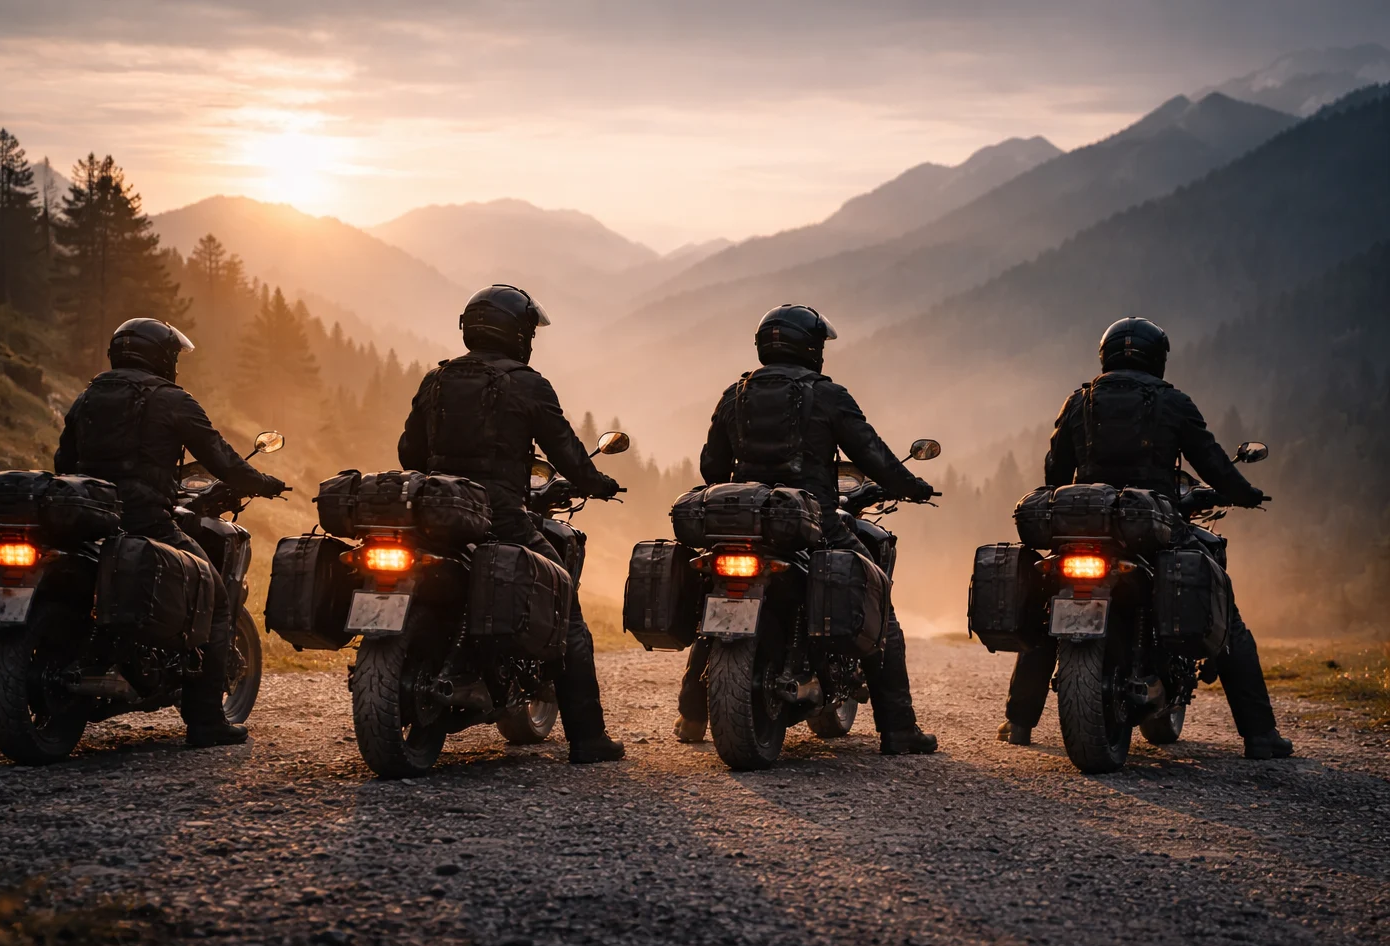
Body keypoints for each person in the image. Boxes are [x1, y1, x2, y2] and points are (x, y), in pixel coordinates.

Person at [998, 316, 1292, 759]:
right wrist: (1246, 494)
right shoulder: (1173, 403)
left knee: (1047, 611)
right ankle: (1261, 737)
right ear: (1158, 359)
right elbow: (1211, 462)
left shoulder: (1081, 400)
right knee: (1226, 616)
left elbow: (1055, 473)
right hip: (1151, 525)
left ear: (1106, 355)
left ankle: (1019, 723)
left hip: (1084, 527)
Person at [674, 304, 939, 755]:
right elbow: (871, 452)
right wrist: (912, 486)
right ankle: (898, 730)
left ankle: (692, 717)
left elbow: (711, 467)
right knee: (878, 604)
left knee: (717, 611)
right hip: (813, 518)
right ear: (812, 348)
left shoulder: (735, 393)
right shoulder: (829, 395)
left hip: (745, 521)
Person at [398, 284, 626, 764]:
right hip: (499, 515)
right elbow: (567, 453)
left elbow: (409, 454)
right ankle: (588, 740)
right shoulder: (527, 384)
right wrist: (599, 482)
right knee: (567, 612)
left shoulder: (436, 379)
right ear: (518, 332)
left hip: (433, 513)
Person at [55, 318, 286, 748]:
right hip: (146, 518)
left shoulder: (88, 397)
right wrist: (264, 483)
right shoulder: (171, 399)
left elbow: (63, 461)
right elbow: (220, 457)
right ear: (160, 356)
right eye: (174, 355)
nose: (176, 363)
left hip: (89, 518)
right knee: (214, 597)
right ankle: (206, 722)